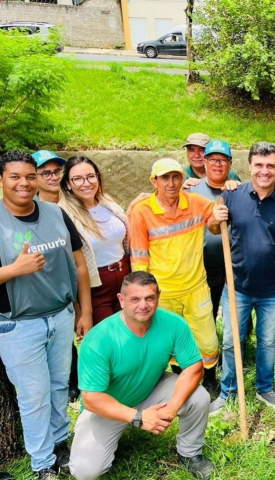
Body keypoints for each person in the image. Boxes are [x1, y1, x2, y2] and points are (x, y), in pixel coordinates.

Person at [69, 272, 214, 480]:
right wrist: (137, 418)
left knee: (199, 397)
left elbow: (194, 367)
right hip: (108, 406)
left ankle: (190, 453)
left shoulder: (174, 324)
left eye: (149, 298)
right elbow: (92, 398)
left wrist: (172, 407)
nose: (143, 305)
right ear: (121, 300)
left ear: (158, 297)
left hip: (150, 389)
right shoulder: (99, 338)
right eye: (135, 299)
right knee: (85, 472)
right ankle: (111, 440)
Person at [0, 151, 92, 479]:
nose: (23, 183)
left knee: (56, 388)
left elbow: (79, 265)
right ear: (2, 180)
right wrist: (13, 270)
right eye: (15, 176)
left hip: (62, 316)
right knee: (34, 396)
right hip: (18, 325)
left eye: (29, 176)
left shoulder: (55, 213)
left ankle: (60, 443)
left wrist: (85, 311)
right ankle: (42, 464)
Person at [209, 142, 275, 413]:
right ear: (250, 166)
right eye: (259, 165)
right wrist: (215, 217)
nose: (264, 171)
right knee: (231, 341)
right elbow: (213, 228)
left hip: (272, 289)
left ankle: (265, 388)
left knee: (268, 342)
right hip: (237, 287)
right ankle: (227, 392)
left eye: (270, 165)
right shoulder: (233, 195)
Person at [128, 158, 219, 395]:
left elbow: (215, 219)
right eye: (165, 178)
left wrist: (219, 213)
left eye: (176, 177)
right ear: (154, 181)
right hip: (163, 292)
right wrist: (144, 294)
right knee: (170, 341)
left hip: (195, 287)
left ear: (183, 178)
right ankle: (180, 383)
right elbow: (138, 256)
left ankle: (209, 379)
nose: (171, 183)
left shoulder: (196, 202)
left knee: (207, 340)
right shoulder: (142, 212)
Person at [58, 155, 131, 403]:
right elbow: (70, 266)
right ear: (67, 184)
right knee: (103, 342)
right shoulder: (63, 214)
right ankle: (102, 398)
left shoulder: (108, 203)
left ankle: (129, 390)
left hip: (124, 275)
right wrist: (81, 310)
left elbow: (121, 236)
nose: (85, 182)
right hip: (94, 284)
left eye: (90, 176)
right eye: (77, 178)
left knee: (128, 334)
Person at [190, 140, 239, 319]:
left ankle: (239, 345)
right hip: (204, 267)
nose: (217, 164)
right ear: (204, 162)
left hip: (233, 267)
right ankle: (210, 346)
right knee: (205, 314)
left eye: (223, 160)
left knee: (236, 314)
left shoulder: (238, 190)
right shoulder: (191, 191)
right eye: (212, 159)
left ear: (230, 164)